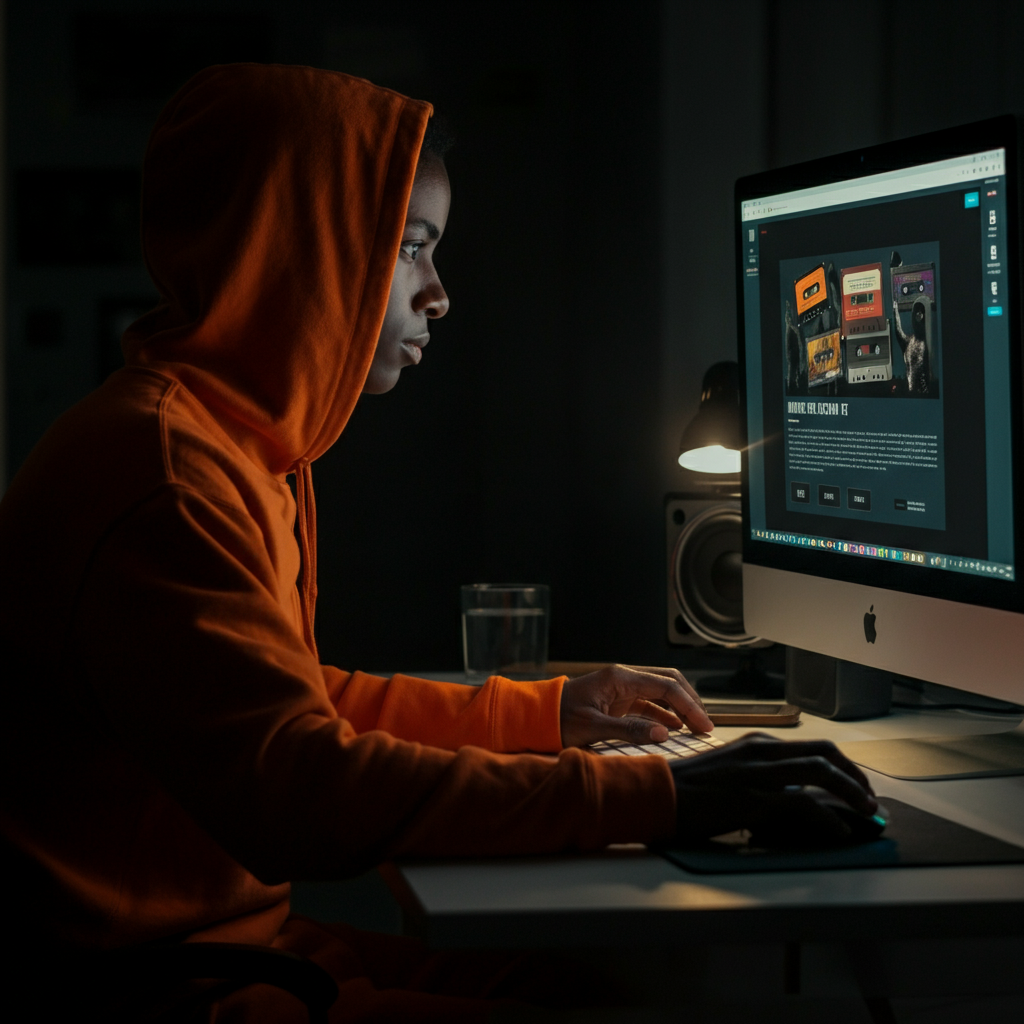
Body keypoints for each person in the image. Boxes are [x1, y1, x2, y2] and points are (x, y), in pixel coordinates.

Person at [0, 64, 877, 1022]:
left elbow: (294, 703)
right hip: (170, 988)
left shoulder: (226, 441)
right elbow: (299, 787)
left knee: (610, 985)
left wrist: (545, 715)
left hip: (239, 948)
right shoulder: (164, 474)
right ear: (299, 248)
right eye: (411, 248)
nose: (439, 296)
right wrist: (665, 801)